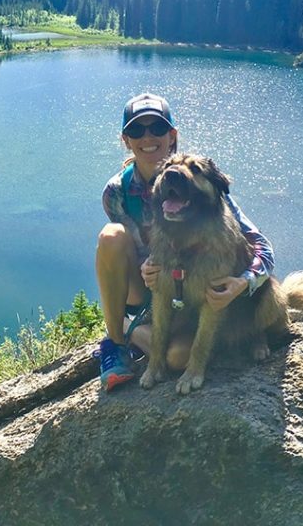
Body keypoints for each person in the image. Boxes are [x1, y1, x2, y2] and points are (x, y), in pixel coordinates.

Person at [94, 92, 275, 391]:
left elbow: (262, 247)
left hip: (188, 288)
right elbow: (129, 246)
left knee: (179, 358)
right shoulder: (116, 192)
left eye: (158, 128)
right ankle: (116, 342)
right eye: (137, 130)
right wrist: (146, 267)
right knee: (111, 237)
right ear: (126, 139)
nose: (148, 137)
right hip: (151, 287)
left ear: (172, 135)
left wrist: (243, 281)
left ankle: (134, 332)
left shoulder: (203, 181)